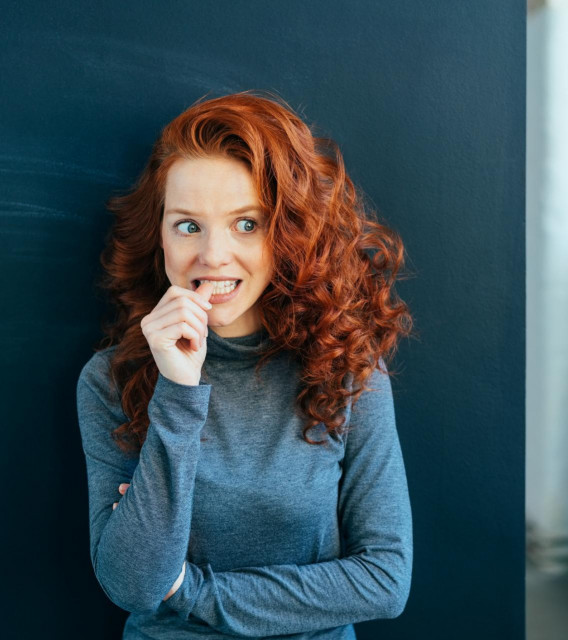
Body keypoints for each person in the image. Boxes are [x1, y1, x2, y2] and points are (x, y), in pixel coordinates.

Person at [76, 90, 415, 640]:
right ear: (159, 234)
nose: (212, 256)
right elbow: (135, 585)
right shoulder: (108, 380)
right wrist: (179, 390)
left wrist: (190, 593)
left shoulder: (348, 370)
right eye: (188, 225)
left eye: (246, 224)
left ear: (287, 234)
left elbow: (384, 578)